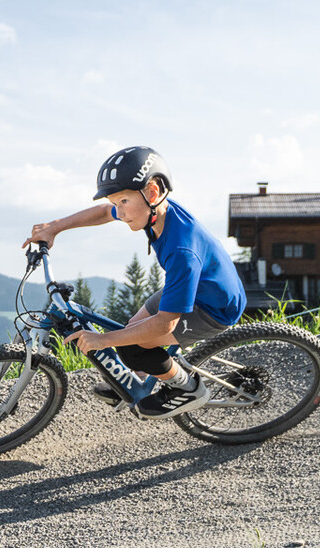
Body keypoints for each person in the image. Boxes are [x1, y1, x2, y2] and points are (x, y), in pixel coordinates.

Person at [21, 146, 246, 419]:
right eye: (117, 202)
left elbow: (165, 323)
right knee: (132, 329)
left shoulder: (181, 250)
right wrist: (55, 227)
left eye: (123, 202)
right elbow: (104, 212)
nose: (119, 211)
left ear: (151, 192)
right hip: (195, 285)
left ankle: (188, 388)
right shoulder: (154, 210)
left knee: (132, 348)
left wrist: (103, 340)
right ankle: (136, 381)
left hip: (214, 306)